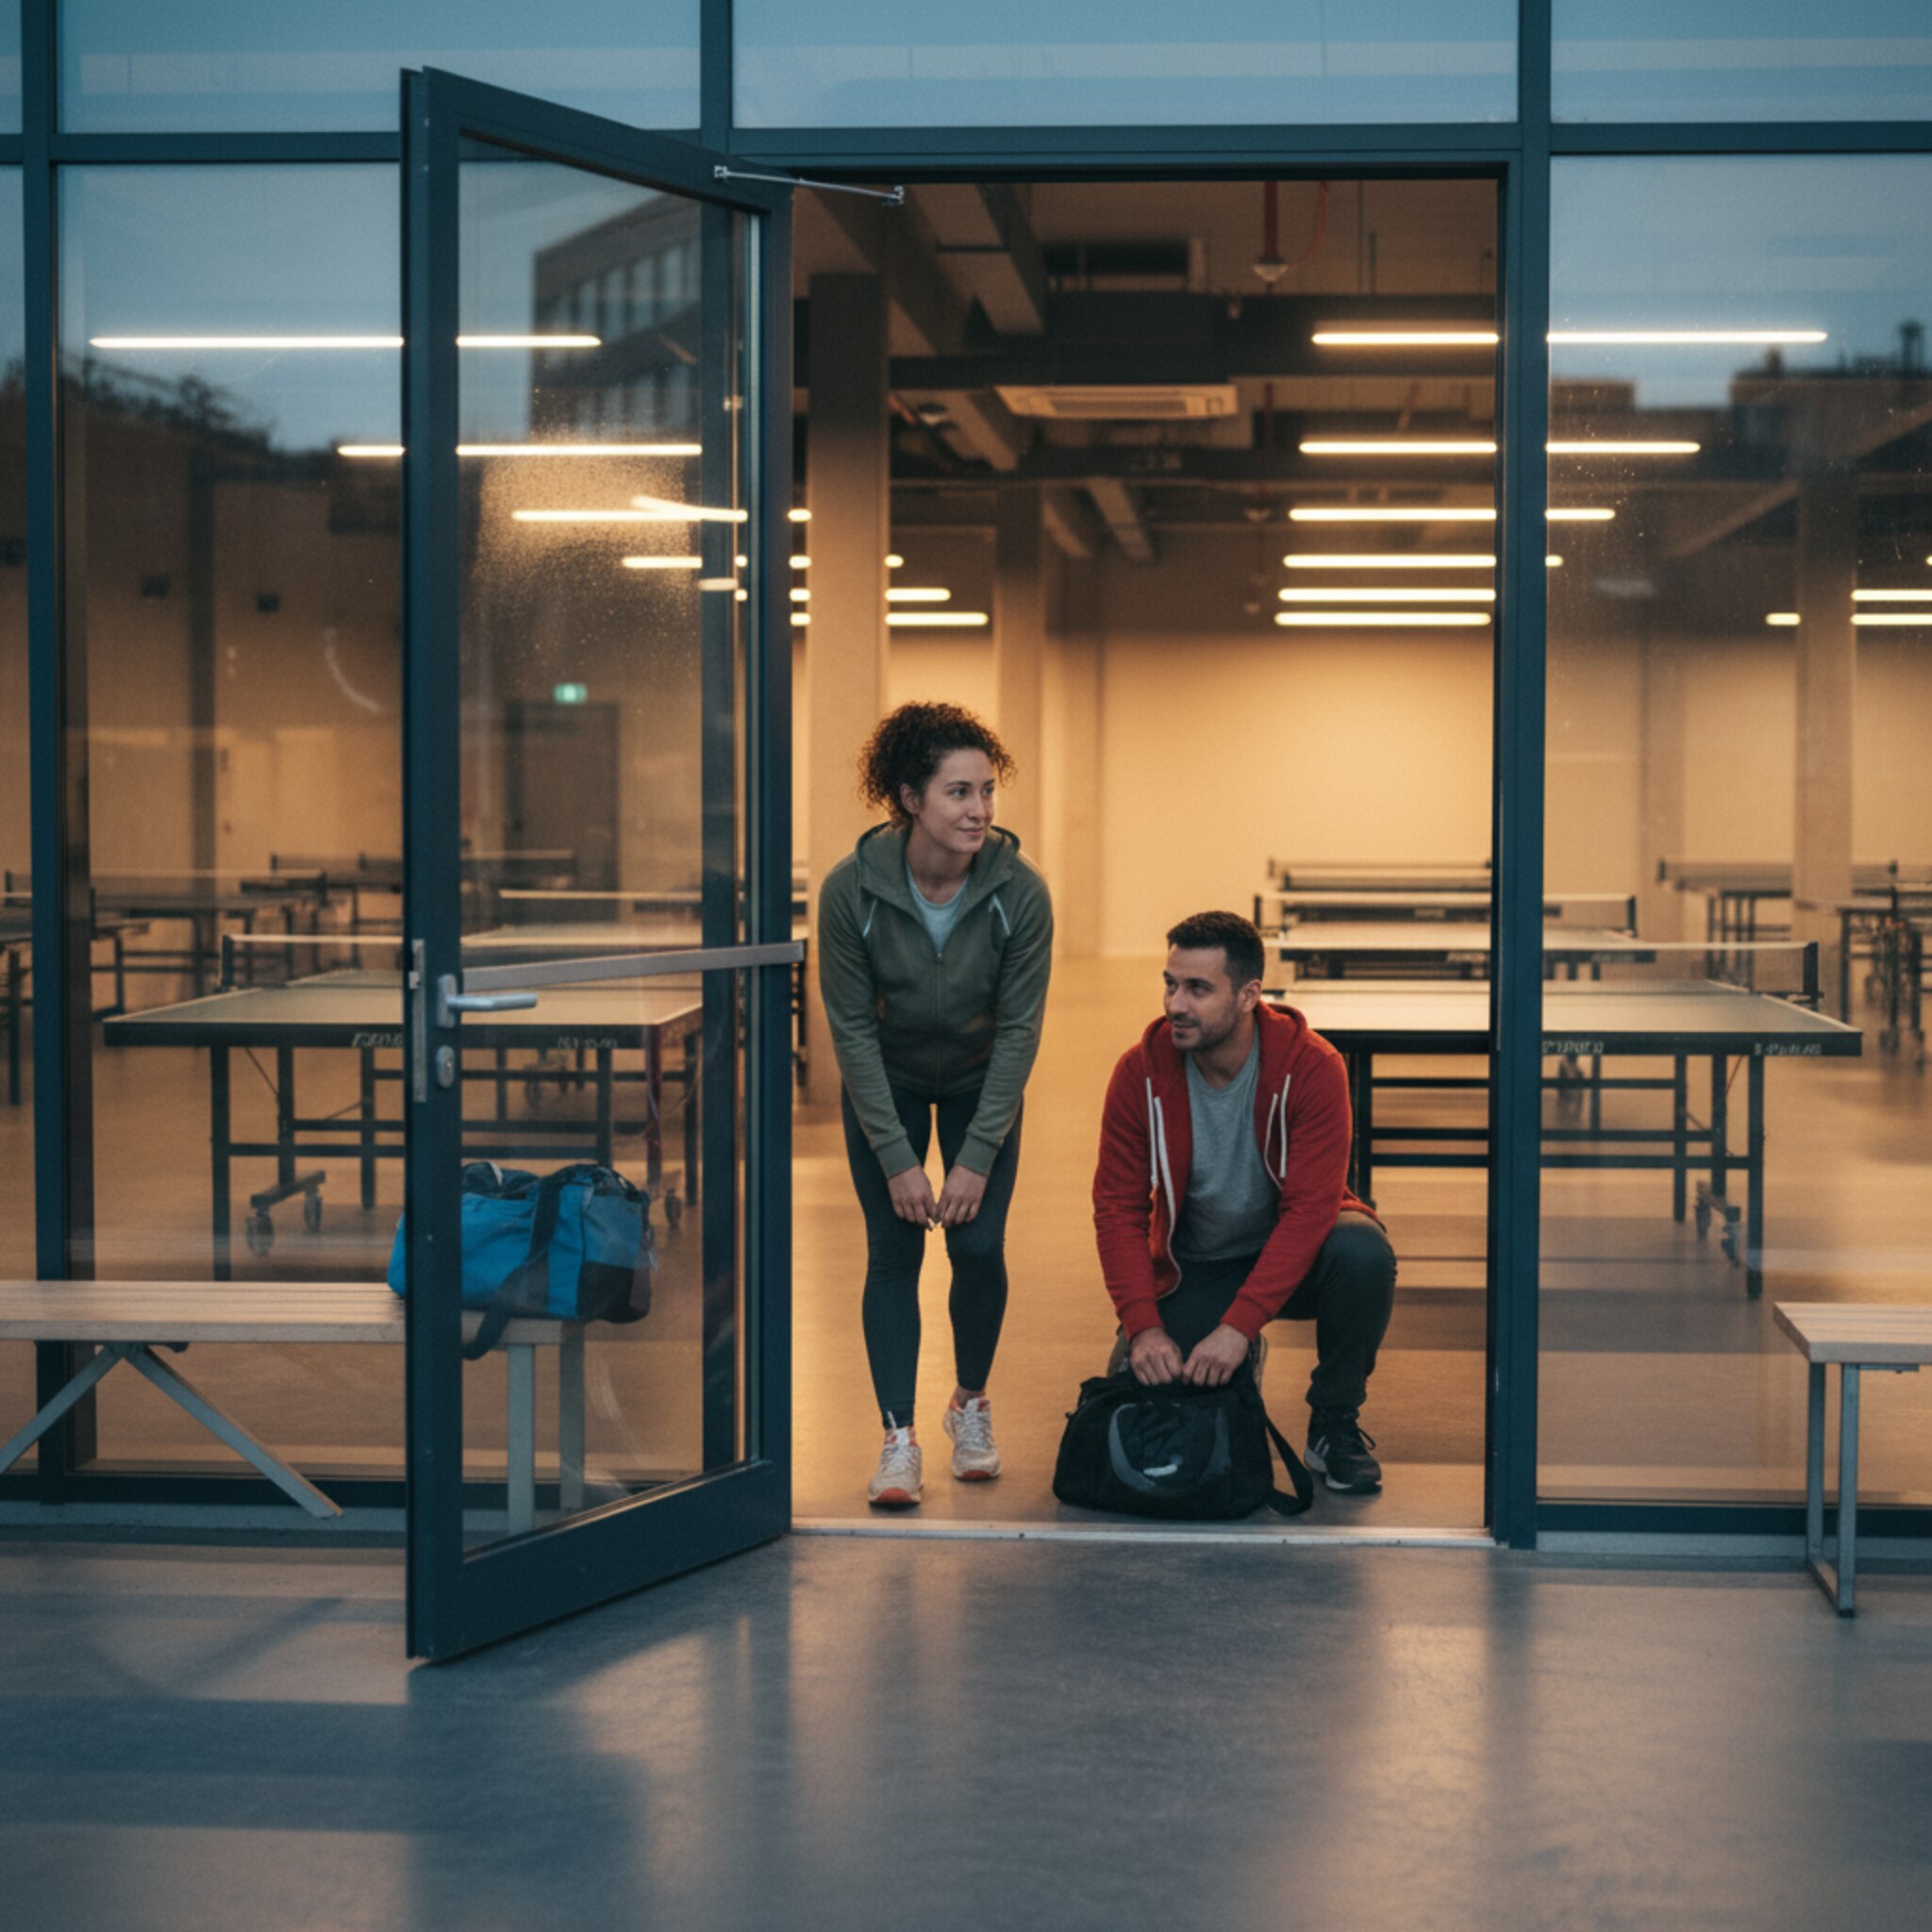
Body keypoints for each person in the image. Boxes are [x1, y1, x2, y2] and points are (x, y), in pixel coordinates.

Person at [818, 701, 1055, 1508]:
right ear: (910, 797)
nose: (980, 810)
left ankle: (971, 1404)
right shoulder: (851, 891)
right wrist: (898, 1158)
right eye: (959, 792)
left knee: (978, 1247)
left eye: (988, 790)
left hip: (980, 1080)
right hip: (887, 1080)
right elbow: (849, 1030)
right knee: (895, 1253)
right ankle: (897, 1439)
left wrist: (974, 1156)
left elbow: (1020, 1031)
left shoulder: (1019, 892)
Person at [1091, 909, 1395, 1493]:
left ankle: (1334, 1422)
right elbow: (1118, 1209)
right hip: (1196, 1267)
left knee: (1362, 1253)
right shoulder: (1139, 1073)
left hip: (1297, 1258)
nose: (1176, 1004)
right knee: (1149, 1391)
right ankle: (1220, 1350)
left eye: (1198, 989)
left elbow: (1310, 1212)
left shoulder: (1313, 1069)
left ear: (1249, 995)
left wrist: (1239, 1326)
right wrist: (1143, 1326)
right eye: (1170, 983)